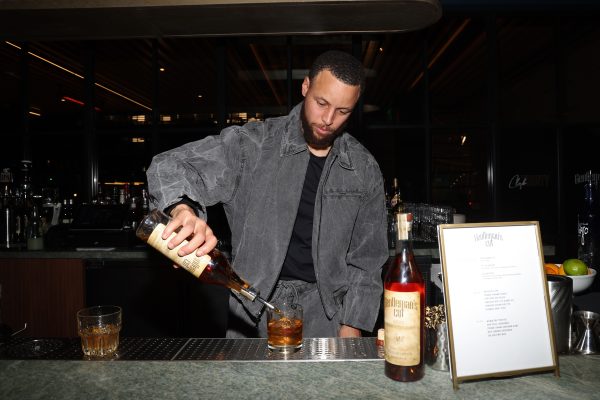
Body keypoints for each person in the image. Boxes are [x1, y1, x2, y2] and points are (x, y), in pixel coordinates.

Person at [146, 50, 388, 338]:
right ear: (305, 87)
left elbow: (367, 259)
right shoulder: (252, 145)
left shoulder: (363, 168)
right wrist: (183, 210)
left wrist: (352, 325)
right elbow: (170, 165)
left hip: (327, 319)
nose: (328, 119)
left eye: (343, 111)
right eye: (321, 103)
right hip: (252, 314)